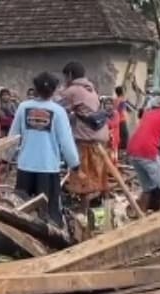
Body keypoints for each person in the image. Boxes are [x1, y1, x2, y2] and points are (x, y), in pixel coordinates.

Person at [9, 71, 79, 225]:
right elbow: (66, 141)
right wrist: (74, 163)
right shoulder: (58, 112)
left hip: (25, 166)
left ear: (35, 88)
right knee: (48, 213)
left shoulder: (23, 107)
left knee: (22, 210)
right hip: (47, 168)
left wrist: (5, 158)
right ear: (54, 90)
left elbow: (13, 137)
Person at [59, 62, 110, 198]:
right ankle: (100, 204)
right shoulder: (91, 88)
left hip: (85, 139)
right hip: (100, 137)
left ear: (69, 75)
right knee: (97, 176)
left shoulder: (73, 90)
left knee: (84, 179)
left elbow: (56, 109)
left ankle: (83, 209)